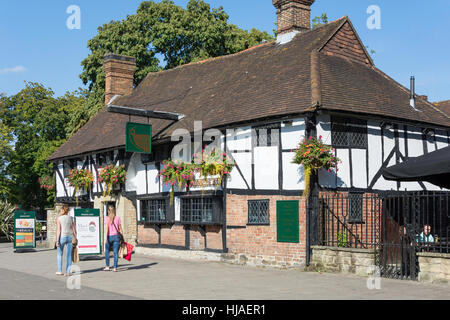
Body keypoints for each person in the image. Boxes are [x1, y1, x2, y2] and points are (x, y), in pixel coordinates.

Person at [56, 204, 77, 276]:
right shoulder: (71, 218)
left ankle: (59, 270)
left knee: (59, 254)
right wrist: (75, 238)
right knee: (69, 255)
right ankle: (68, 272)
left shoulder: (59, 219)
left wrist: (57, 241)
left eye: (61, 209)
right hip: (70, 237)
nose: (60, 211)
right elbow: (74, 230)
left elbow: (59, 230)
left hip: (62, 237)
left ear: (63, 210)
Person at [104, 204, 123, 272]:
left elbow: (106, 229)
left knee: (107, 252)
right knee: (115, 252)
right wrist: (122, 237)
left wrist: (105, 238)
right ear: (114, 210)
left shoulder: (106, 218)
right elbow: (120, 229)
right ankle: (115, 268)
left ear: (108, 211)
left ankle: (107, 266)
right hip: (116, 237)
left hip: (109, 236)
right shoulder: (117, 218)